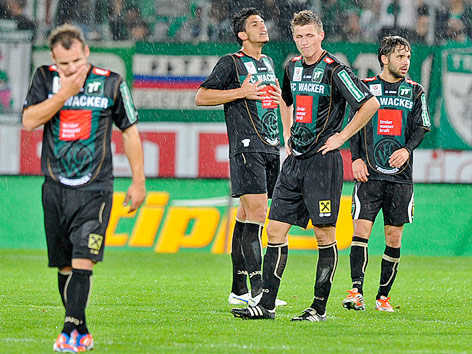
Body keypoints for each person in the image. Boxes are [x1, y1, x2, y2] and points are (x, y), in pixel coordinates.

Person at [232, 10, 379, 321]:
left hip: (323, 164)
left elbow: (370, 104)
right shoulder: (292, 67)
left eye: (309, 35)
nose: (304, 42)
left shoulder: (335, 70)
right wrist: (287, 132)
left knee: (324, 235)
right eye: (299, 36)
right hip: (295, 161)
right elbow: (285, 100)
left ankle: (318, 308)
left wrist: (341, 136)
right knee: (274, 229)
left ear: (321, 35)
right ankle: (266, 305)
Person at [22, 24, 146, 352]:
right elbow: (29, 121)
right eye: (64, 64)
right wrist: (64, 93)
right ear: (54, 60)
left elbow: (130, 132)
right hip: (55, 186)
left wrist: (138, 181)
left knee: (83, 258)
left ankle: (67, 330)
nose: (72, 68)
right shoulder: (44, 79)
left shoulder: (111, 82)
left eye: (76, 61)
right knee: (65, 264)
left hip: (96, 188)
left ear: (86, 52)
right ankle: (81, 328)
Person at [195, 7, 286, 308]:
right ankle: (259, 289)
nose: (263, 27)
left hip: (270, 144)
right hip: (247, 146)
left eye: (263, 22)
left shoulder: (269, 62)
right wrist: (239, 92)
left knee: (247, 215)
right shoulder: (230, 63)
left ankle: (238, 288)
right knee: (259, 213)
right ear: (242, 34)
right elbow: (201, 96)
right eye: (255, 24)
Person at [342, 36, 431, 313]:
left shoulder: (415, 92)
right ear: (384, 59)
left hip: (400, 177)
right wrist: (355, 158)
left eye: (407, 57)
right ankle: (356, 291)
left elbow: (422, 126)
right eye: (400, 57)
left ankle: (383, 297)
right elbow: (353, 125)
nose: (405, 62)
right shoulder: (365, 88)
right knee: (361, 231)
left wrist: (406, 149)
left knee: (394, 238)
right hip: (368, 174)